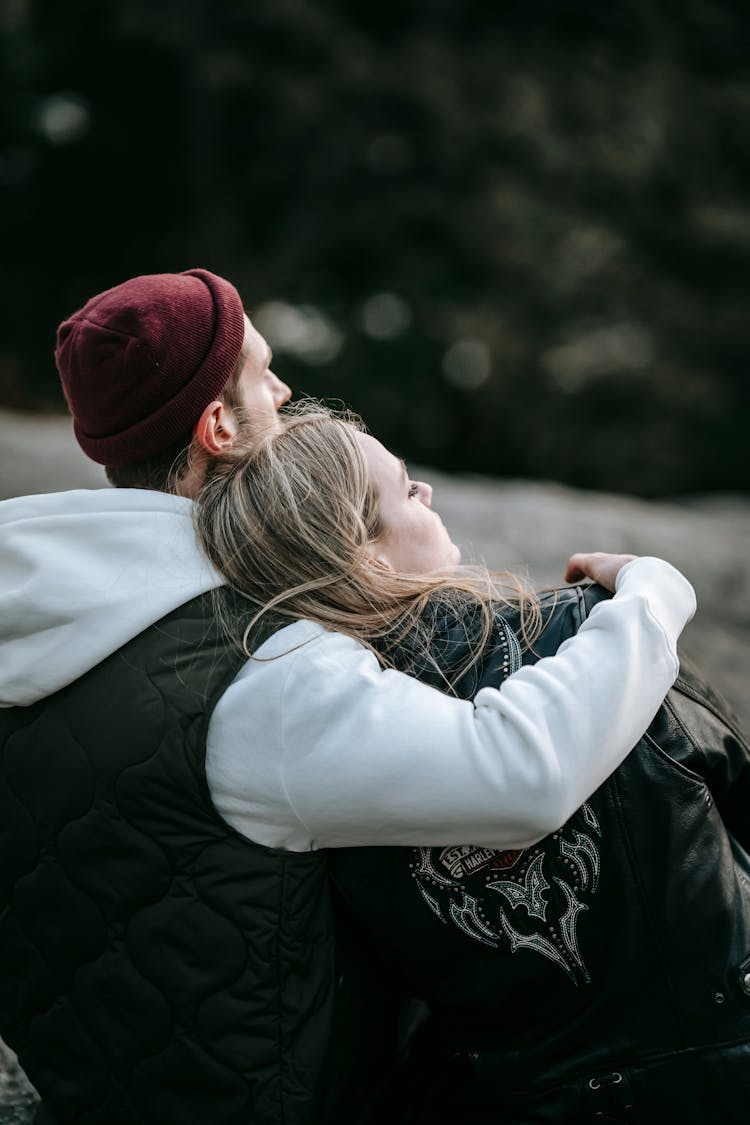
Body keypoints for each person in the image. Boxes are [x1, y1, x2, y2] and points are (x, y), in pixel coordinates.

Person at [0, 270, 695, 1125]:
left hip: (102, 1070)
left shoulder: (43, 595)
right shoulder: (247, 667)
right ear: (218, 424)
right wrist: (655, 595)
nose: (286, 390)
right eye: (262, 371)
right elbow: (523, 776)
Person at [193, 403, 750, 1125]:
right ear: (363, 554)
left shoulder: (315, 750)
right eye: (402, 489)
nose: (425, 490)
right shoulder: (599, 627)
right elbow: (733, 786)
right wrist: (647, 590)